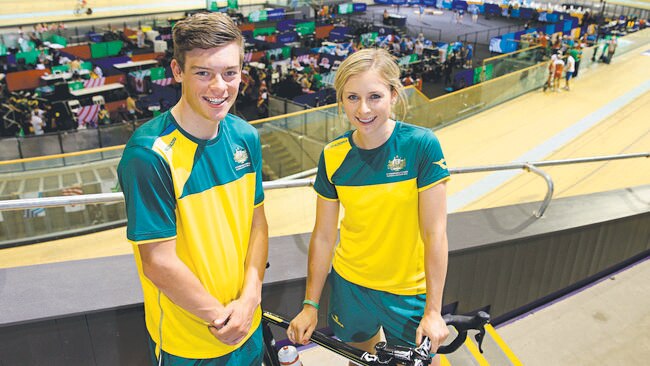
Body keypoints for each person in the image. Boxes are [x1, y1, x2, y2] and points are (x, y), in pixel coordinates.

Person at [116, 13, 268, 366]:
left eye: (230, 72)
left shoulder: (246, 137)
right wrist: (222, 318)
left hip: (247, 325)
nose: (220, 87)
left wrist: (250, 299)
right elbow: (157, 262)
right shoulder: (148, 154)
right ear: (177, 71)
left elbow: (257, 225)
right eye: (203, 72)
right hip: (191, 343)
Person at [287, 48, 450, 365]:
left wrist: (433, 310)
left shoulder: (421, 145)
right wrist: (310, 304)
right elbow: (323, 236)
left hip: (408, 292)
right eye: (352, 98)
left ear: (393, 94)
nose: (362, 109)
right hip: (351, 286)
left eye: (374, 96)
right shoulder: (332, 156)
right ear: (341, 100)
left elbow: (436, 234)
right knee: (362, 360)